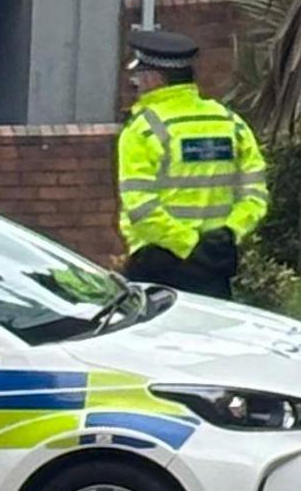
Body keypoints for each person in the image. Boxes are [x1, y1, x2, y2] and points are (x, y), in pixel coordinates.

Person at [114, 27, 269, 299]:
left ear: (154, 79)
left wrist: (188, 244)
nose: (135, 86)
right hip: (215, 262)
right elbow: (255, 194)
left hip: (158, 266)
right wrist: (230, 232)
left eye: (137, 79)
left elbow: (140, 207)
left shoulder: (144, 129)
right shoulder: (229, 122)